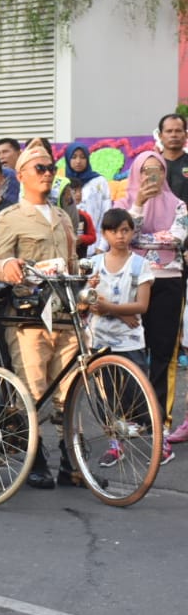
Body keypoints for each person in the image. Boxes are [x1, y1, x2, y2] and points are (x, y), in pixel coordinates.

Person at [0, 138, 81, 489]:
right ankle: (35, 458)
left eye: (50, 169)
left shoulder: (62, 215)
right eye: (39, 169)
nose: (47, 175)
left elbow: (72, 262)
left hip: (64, 312)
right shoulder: (9, 217)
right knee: (32, 388)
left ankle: (71, 461)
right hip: (28, 317)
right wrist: (9, 265)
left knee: (70, 389)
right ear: (21, 175)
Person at [114, 149, 186, 465]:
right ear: (136, 174)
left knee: (161, 353)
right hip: (132, 282)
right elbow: (123, 236)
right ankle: (129, 419)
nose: (151, 177)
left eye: (157, 170)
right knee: (128, 352)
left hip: (169, 285)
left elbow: (178, 239)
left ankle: (159, 422)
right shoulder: (124, 205)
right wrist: (139, 203)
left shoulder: (180, 205)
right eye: (146, 171)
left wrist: (143, 242)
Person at [87, 208, 155, 465]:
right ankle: (115, 445)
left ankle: (159, 438)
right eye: (114, 231)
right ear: (104, 233)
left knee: (138, 395)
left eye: (125, 230)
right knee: (106, 398)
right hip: (100, 340)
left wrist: (111, 309)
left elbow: (142, 306)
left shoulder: (140, 264)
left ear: (132, 231)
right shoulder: (94, 264)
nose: (120, 236)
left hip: (130, 341)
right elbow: (90, 301)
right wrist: (117, 312)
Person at [63, 143, 111, 254]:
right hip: (69, 249)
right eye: (74, 157)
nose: (78, 161)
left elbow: (106, 213)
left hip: (95, 245)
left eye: (82, 157)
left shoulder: (99, 181)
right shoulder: (63, 184)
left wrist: (102, 246)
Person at [61, 178, 96, 259]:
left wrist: (82, 239)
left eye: (80, 191)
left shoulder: (85, 216)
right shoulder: (58, 215)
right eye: (74, 191)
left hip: (80, 258)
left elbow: (93, 237)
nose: (78, 194)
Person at [156, 114, 188, 203]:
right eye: (169, 131)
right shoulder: (151, 164)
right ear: (160, 136)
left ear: (186, 135)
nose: (173, 135)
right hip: (158, 216)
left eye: (178, 131)